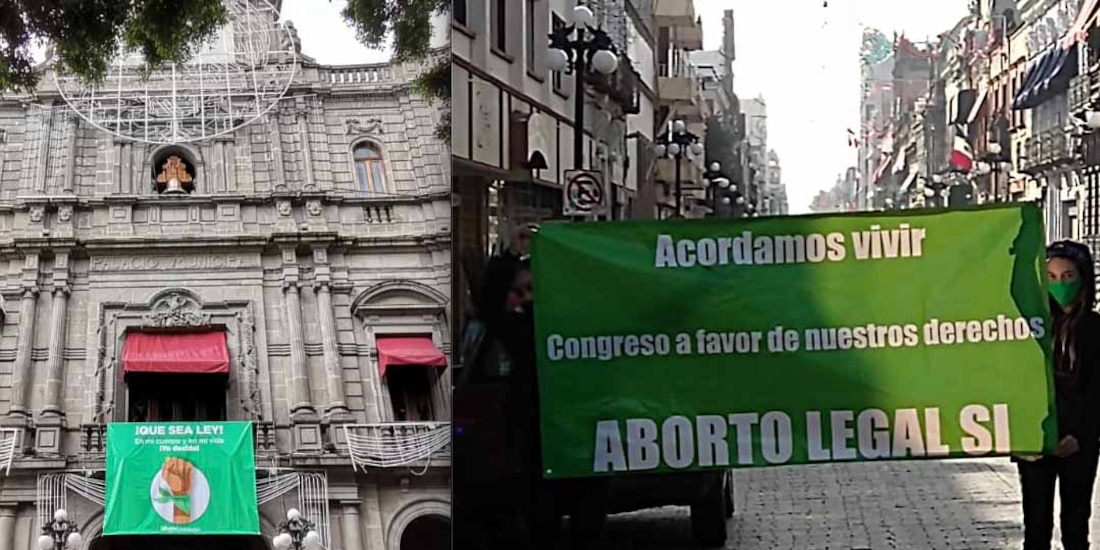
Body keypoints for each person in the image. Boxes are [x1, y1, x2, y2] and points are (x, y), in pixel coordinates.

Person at [1018, 240, 1100, 550]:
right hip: (1035, 444)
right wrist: (1021, 438)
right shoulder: (1029, 327)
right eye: (1050, 276)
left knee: (1075, 526)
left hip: (1077, 445)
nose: (1060, 284)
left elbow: (1096, 392)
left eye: (1068, 276)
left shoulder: (1094, 329)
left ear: (1082, 278)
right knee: (1036, 528)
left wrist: (1079, 435)